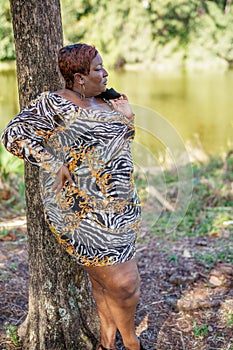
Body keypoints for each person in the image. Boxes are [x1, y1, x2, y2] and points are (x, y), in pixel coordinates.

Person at [1, 43, 144, 350]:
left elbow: (121, 145)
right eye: (98, 69)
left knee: (104, 281)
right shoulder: (51, 105)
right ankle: (132, 345)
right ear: (79, 77)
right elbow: (11, 135)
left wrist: (128, 120)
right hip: (82, 213)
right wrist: (52, 161)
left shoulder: (108, 100)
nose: (105, 73)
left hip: (122, 206)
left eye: (103, 67)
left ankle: (107, 342)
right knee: (125, 283)